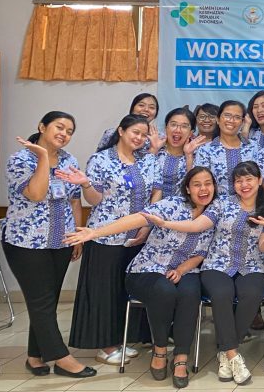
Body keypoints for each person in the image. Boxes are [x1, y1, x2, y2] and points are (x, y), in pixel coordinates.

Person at [66, 166, 219, 388]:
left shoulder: (214, 213)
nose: (203, 189)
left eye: (208, 184)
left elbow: (201, 254)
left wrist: (182, 270)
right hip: (148, 268)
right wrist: (96, 232)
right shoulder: (172, 205)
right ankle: (159, 350)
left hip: (186, 269)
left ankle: (181, 357)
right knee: (165, 291)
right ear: (187, 188)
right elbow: (138, 219)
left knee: (190, 293)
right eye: (197, 184)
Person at [146, 161, 264, 385]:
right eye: (239, 180)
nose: (244, 184)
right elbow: (196, 226)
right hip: (217, 263)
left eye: (249, 179)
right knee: (222, 294)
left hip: (252, 264)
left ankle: (225, 352)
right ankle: (233, 355)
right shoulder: (221, 203)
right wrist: (166, 223)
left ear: (259, 180)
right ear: (233, 184)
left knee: (252, 295)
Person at [1, 112, 95, 378]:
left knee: (47, 301)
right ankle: (62, 358)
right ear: (42, 127)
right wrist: (43, 157)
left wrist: (76, 235)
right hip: (26, 243)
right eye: (59, 127)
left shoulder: (69, 160)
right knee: (41, 301)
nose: (64, 134)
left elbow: (75, 200)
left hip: (60, 241)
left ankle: (35, 356)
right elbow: (36, 193)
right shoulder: (20, 159)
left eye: (69, 131)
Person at [67, 114, 158, 366]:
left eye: (143, 135)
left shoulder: (148, 160)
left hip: (137, 237)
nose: (139, 138)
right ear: (121, 131)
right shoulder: (101, 159)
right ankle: (105, 346)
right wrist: (86, 184)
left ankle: (121, 340)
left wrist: (147, 225)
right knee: (104, 292)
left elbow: (155, 193)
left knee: (124, 291)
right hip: (105, 237)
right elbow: (95, 200)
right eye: (135, 132)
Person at [194, 100, 260, 197]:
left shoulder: (253, 147)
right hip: (217, 205)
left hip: (250, 204)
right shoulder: (205, 150)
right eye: (227, 115)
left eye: (237, 117)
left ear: (242, 122)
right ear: (218, 119)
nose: (231, 120)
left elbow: (260, 180)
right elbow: (200, 183)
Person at [150, 107, 207, 203]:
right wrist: (153, 150)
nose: (178, 130)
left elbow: (196, 185)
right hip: (149, 206)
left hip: (182, 207)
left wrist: (189, 156)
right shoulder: (154, 145)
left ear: (191, 133)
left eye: (184, 126)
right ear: (166, 128)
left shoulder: (198, 152)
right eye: (173, 125)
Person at [96, 93, 161, 156]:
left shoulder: (160, 138)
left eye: (151, 107)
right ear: (132, 108)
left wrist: (154, 148)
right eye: (141, 105)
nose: (146, 109)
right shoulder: (111, 133)